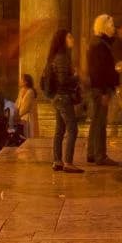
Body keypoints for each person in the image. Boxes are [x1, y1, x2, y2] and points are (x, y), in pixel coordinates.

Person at [43, 29, 82, 174]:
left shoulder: (56, 57)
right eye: (70, 37)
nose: (73, 39)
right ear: (63, 40)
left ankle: (57, 161)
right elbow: (63, 80)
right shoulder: (62, 58)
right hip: (63, 97)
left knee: (59, 130)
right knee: (73, 129)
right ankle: (68, 162)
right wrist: (77, 76)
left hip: (57, 97)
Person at [86, 14, 122, 167]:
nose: (114, 29)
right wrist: (104, 91)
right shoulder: (100, 46)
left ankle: (92, 153)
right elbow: (99, 70)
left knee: (96, 121)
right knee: (100, 123)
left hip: (99, 88)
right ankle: (100, 155)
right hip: (101, 89)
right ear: (105, 27)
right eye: (112, 26)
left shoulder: (99, 44)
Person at [16, 73, 39, 145]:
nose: (20, 81)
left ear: (26, 82)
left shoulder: (30, 92)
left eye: (21, 80)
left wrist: (18, 115)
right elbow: (17, 103)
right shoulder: (21, 91)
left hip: (28, 117)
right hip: (21, 117)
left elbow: (26, 107)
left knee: (28, 135)